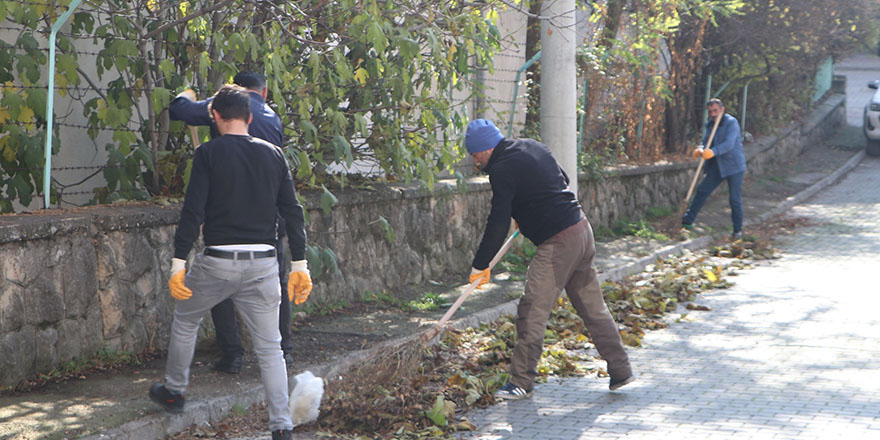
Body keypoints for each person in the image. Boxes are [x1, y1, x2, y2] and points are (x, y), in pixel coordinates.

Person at [150, 85, 311, 440]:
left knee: (187, 318)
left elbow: (193, 211)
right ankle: (281, 426)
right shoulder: (274, 154)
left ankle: (175, 391)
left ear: (215, 116)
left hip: (218, 262)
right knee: (270, 348)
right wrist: (299, 263)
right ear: (250, 118)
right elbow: (292, 212)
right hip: (265, 263)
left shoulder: (207, 153)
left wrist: (179, 262)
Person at [464, 119, 634, 400]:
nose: (475, 160)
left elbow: (497, 220)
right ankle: (621, 369)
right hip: (582, 230)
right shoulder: (532, 146)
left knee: (532, 310)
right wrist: (527, 208)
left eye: (475, 154)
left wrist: (481, 264)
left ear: (486, 148)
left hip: (559, 243)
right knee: (593, 308)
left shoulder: (502, 169)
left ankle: (521, 381)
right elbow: (562, 180)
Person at [170, 71, 294, 372]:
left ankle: (232, 354)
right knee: (275, 281)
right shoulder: (272, 117)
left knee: (219, 286)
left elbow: (180, 110)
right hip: (268, 219)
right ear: (264, 93)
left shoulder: (222, 106)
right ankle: (283, 350)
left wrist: (187, 92)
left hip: (228, 214)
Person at [681, 99, 747, 240]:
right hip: (719, 166)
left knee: (734, 199)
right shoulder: (710, 124)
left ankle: (737, 231)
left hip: (734, 166)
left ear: (722, 110)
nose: (713, 114)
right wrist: (700, 148)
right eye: (710, 111)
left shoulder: (731, 123)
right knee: (702, 190)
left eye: (715, 111)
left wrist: (713, 151)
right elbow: (706, 140)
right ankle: (687, 222)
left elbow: (729, 144)